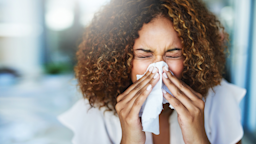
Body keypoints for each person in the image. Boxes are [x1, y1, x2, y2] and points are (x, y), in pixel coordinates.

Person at [58, 0, 246, 143]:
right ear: (121, 60)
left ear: (191, 57)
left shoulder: (219, 99)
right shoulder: (95, 112)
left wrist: (198, 138)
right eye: (144, 55)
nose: (159, 69)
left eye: (172, 55)